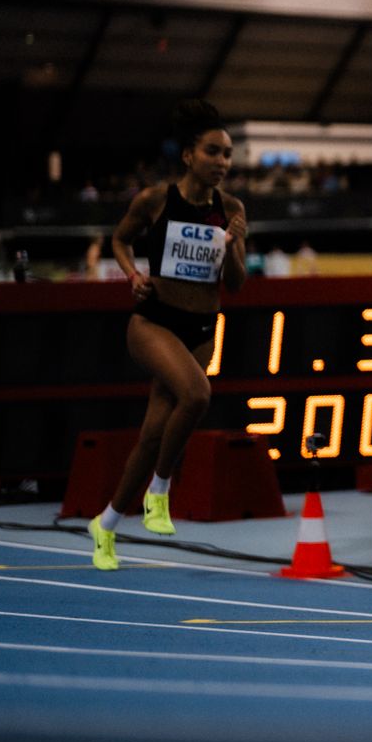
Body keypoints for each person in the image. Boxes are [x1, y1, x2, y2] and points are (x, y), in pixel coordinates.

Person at [90, 100, 248, 570]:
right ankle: (159, 493)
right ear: (188, 156)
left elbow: (236, 284)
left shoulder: (233, 209)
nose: (222, 162)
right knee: (197, 395)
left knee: (152, 435)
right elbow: (119, 239)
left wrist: (234, 242)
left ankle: (106, 524)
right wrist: (131, 274)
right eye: (213, 152)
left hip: (202, 330)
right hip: (154, 322)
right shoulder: (154, 201)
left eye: (227, 155)